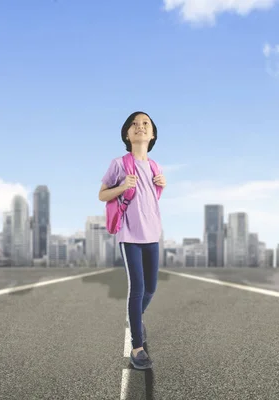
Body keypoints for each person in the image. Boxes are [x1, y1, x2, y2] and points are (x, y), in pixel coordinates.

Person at [98, 111, 166, 370]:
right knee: (137, 288)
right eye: (134, 124)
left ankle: (135, 317)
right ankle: (136, 347)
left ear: (152, 134)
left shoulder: (156, 167)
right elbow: (102, 195)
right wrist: (122, 186)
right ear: (127, 134)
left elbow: (151, 200)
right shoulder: (119, 164)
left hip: (152, 234)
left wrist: (162, 185)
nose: (140, 127)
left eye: (145, 124)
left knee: (151, 289)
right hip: (130, 236)